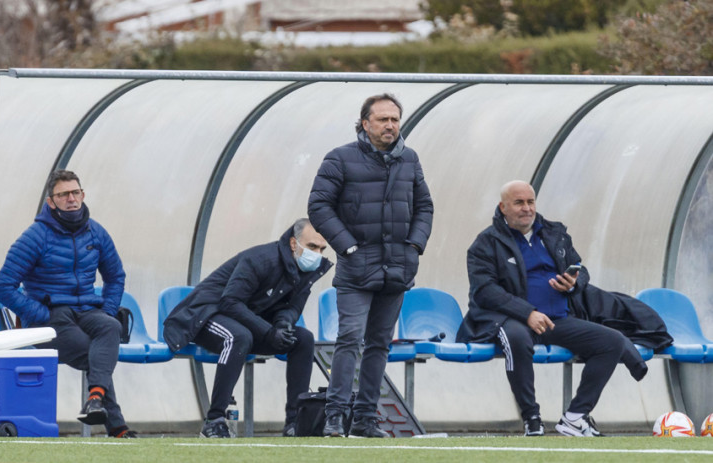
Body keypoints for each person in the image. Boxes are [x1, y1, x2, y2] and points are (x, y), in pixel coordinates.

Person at [457, 180, 647, 437]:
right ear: (503, 207)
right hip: (511, 320)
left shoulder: (554, 233)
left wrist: (573, 283)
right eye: (519, 202)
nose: (527, 208)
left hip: (558, 319)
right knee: (515, 338)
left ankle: (575, 417)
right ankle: (531, 417)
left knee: (611, 341)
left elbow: (580, 268)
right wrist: (527, 313)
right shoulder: (485, 243)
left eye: (530, 201)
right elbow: (485, 291)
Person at [308, 93, 434, 438]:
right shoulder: (339, 158)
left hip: (397, 267)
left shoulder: (409, 159)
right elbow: (319, 206)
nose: (390, 125)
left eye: (394, 119)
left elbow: (424, 207)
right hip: (355, 267)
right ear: (365, 123)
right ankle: (335, 416)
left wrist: (414, 246)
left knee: (380, 343)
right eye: (383, 119)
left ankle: (365, 419)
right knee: (349, 338)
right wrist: (347, 246)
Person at [0, 170, 135, 438]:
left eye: (76, 193)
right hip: (51, 316)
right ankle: (117, 428)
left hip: (87, 310)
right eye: (64, 194)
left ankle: (96, 401)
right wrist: (39, 313)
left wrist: (106, 311)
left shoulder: (97, 232)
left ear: (82, 195)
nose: (72, 199)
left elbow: (115, 277)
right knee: (94, 352)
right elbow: (2, 287)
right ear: (51, 201)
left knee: (110, 327)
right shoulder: (35, 236)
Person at [162, 218, 332, 438]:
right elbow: (230, 302)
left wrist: (281, 326)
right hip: (204, 315)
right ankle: (214, 420)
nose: (317, 254)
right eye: (311, 247)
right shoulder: (261, 259)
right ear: (293, 243)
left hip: (244, 321)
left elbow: (292, 308)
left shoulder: (307, 270)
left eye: (321, 248)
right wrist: (268, 331)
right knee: (239, 337)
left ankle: (295, 423)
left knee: (303, 339)